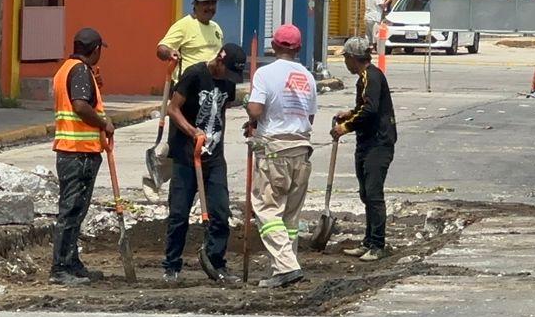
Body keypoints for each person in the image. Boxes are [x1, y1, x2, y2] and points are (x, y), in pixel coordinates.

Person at [163, 44, 248, 284]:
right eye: (227, 71)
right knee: (179, 213)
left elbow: (222, 111)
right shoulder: (194, 74)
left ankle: (216, 262)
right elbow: (173, 109)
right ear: (219, 60)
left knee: (220, 212)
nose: (229, 78)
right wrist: (192, 132)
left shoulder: (228, 82)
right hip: (186, 155)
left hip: (214, 157)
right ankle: (171, 265)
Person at [245, 24, 317, 289]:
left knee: (266, 209)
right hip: (301, 148)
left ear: (274, 46)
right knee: (290, 217)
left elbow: (255, 109)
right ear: (297, 49)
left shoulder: (265, 74)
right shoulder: (308, 77)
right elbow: (309, 116)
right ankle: (284, 267)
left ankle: (287, 266)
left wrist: (250, 113)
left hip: (275, 150)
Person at [50, 27, 117, 287]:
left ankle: (72, 262)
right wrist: (103, 123)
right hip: (77, 154)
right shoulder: (78, 71)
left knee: (76, 211)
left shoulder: (67, 69)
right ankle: (60, 268)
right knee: (71, 211)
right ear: (96, 49)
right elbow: (79, 105)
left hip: (76, 151)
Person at [149, 0, 226, 189]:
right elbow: (161, 48)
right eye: (205, 4)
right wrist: (170, 53)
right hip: (186, 91)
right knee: (180, 143)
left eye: (212, 3)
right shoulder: (184, 25)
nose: (209, 7)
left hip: (209, 92)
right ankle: (171, 174)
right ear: (195, 5)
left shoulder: (217, 28)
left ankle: (200, 180)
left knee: (208, 139)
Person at [332, 36, 397, 261]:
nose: (345, 63)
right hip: (367, 141)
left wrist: (345, 127)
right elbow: (364, 107)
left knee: (373, 193)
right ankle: (368, 241)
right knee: (365, 193)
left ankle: (378, 244)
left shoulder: (372, 77)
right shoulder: (364, 78)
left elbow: (370, 110)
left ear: (352, 58)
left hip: (379, 143)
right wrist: (349, 113)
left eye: (346, 59)